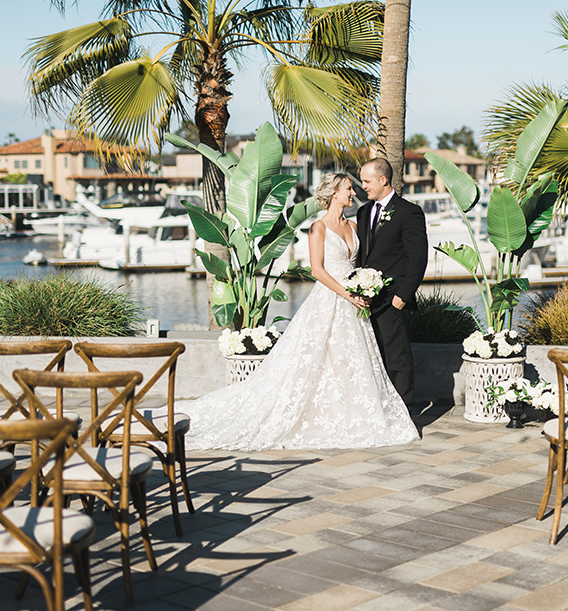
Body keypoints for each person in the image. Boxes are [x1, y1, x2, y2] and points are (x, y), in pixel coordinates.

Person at [179, 173, 420, 451]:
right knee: (317, 359)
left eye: (353, 188)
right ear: (334, 194)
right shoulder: (318, 228)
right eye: (348, 189)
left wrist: (364, 288)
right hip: (331, 299)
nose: (353, 193)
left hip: (355, 305)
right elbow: (317, 270)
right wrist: (348, 293)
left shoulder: (355, 225)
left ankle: (347, 413)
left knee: (347, 361)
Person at [356, 157, 429, 413]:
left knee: (397, 358)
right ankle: (380, 410)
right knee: (373, 358)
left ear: (383, 180)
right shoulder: (363, 212)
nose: (363, 185)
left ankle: (404, 413)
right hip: (365, 300)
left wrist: (403, 295)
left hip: (393, 300)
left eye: (367, 181)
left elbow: (418, 259)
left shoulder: (409, 212)